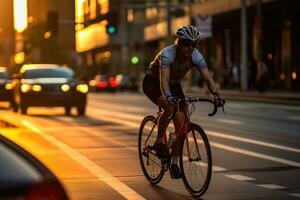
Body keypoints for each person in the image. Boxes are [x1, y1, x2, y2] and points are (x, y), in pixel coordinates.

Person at [141, 25, 225, 178]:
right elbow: (164, 81)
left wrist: (216, 95)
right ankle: (159, 141)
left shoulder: (196, 55)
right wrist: (168, 97)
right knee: (170, 107)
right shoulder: (168, 54)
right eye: (186, 43)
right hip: (153, 82)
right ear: (179, 43)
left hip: (174, 84)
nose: (190, 47)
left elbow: (207, 78)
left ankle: (174, 162)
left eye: (193, 44)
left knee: (182, 125)